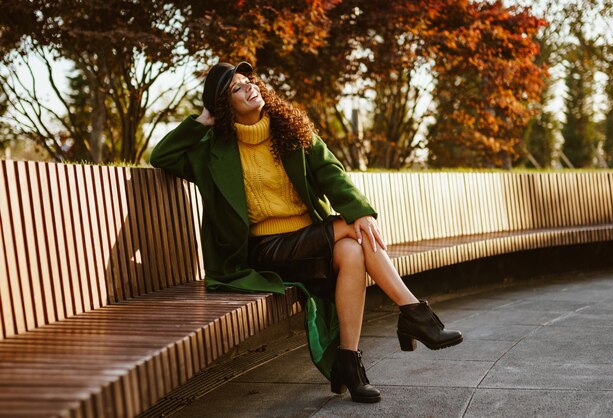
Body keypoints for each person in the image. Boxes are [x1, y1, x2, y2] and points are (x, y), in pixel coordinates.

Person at [150, 61, 462, 404]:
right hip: (264, 250)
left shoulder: (290, 129)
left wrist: (358, 210)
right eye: (236, 89)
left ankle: (351, 363)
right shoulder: (211, 150)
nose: (249, 88)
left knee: (353, 251)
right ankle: (414, 313)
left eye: (248, 81)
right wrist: (203, 120)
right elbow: (162, 155)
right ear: (224, 107)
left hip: (310, 241)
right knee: (354, 228)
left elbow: (331, 171)